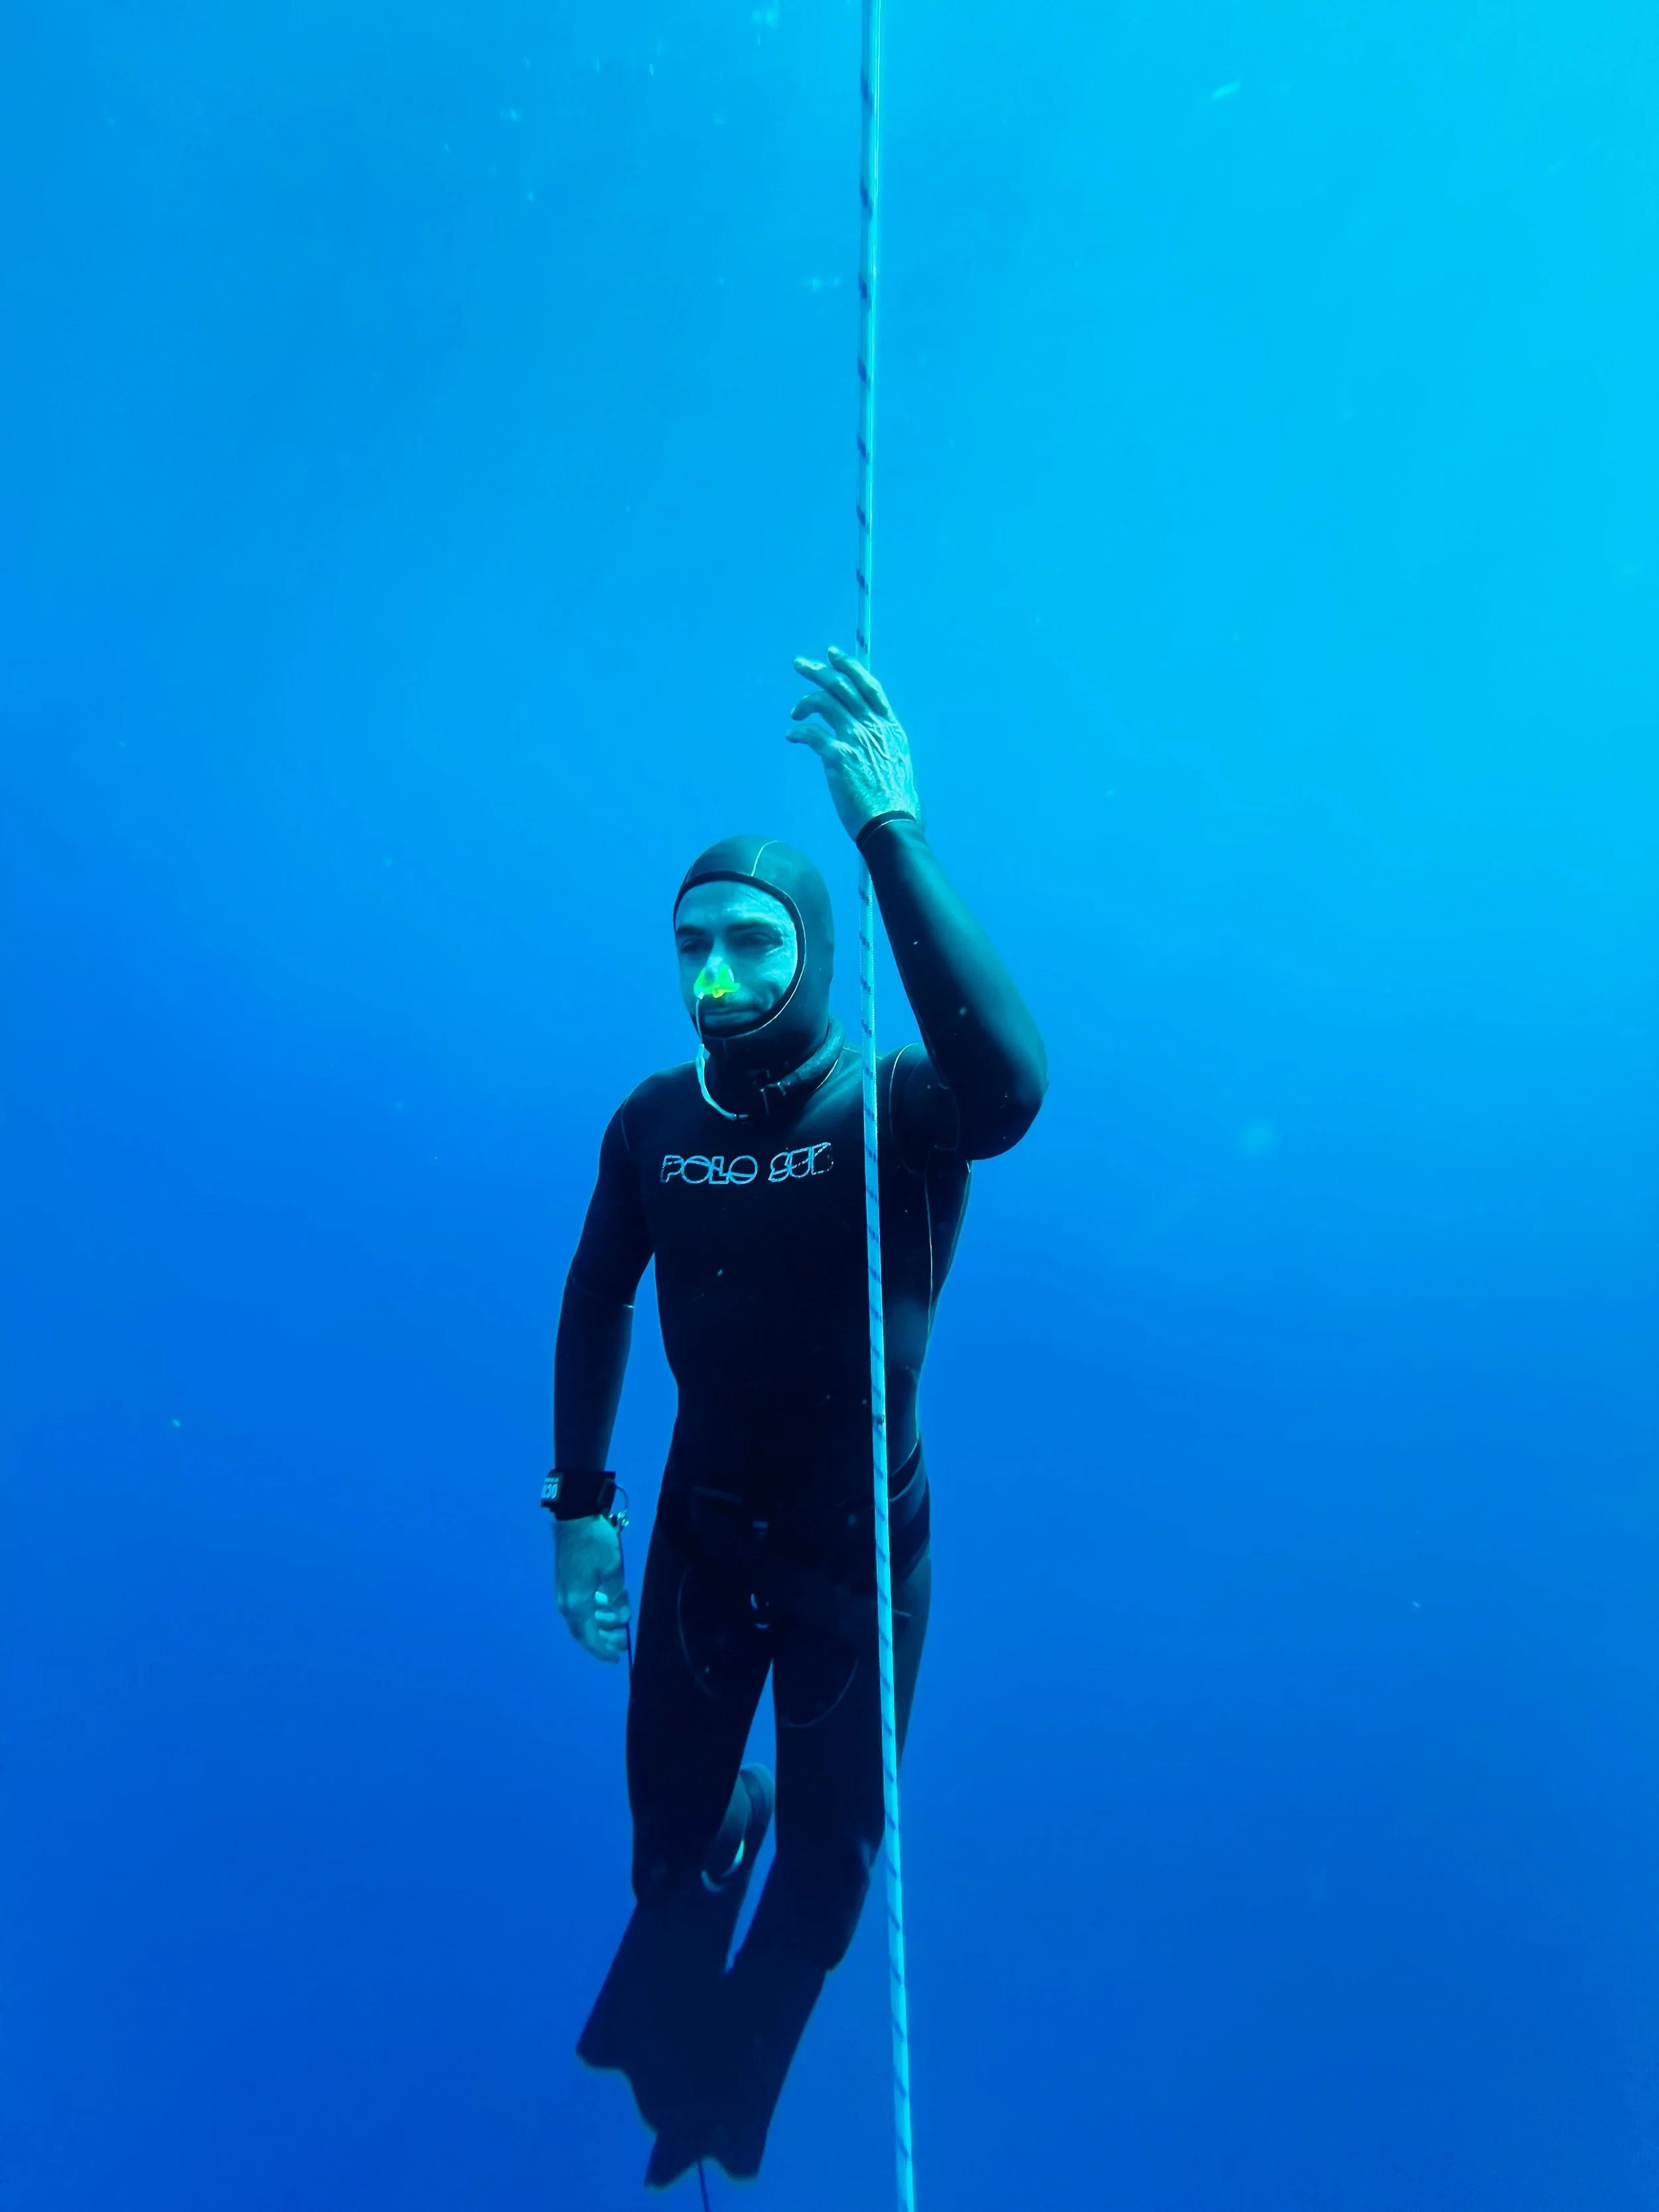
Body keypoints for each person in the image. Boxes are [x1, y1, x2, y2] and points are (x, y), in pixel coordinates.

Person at [549, 648, 1046, 2185]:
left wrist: (886, 826)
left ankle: (724, 2096)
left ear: (815, 950)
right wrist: (579, 1509)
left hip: (854, 1556)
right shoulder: (651, 1121)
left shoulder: (898, 1108)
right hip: (702, 1542)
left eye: (753, 944)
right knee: (665, 1857)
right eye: (692, 945)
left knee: (827, 1878)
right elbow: (593, 1299)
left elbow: (1014, 1087)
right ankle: (712, 1886)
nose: (715, 975)